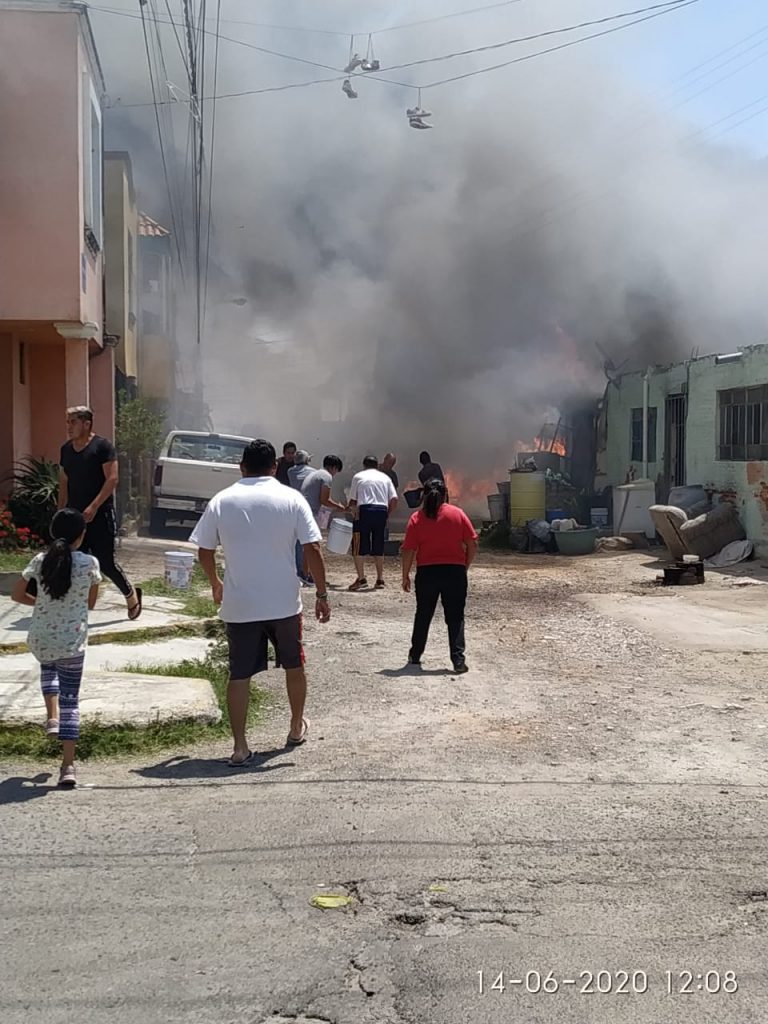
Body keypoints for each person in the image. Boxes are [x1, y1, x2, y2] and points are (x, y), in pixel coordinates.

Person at [191, 439, 331, 765]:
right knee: (294, 665)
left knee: (239, 674)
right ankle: (295, 727)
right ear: (275, 467)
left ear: (241, 466)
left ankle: (240, 747)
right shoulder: (291, 499)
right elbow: (313, 548)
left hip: (240, 604)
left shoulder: (222, 500)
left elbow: (204, 550)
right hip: (284, 603)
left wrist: (215, 583)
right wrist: (322, 594)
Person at [11, 509, 102, 787]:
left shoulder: (41, 561)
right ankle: (68, 766)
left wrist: (39, 603)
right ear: (82, 534)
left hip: (42, 637)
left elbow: (16, 594)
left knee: (48, 671)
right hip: (71, 641)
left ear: (52, 532)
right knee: (70, 700)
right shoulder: (89, 563)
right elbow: (90, 603)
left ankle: (52, 718)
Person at [58, 406, 141, 620]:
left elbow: (112, 479)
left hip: (100, 515)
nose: (69, 427)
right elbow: (64, 480)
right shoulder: (66, 449)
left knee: (105, 563)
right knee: (74, 561)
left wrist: (94, 506)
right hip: (75, 517)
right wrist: (61, 510)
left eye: (73, 422)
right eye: (67, 422)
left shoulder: (102, 447)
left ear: (86, 424)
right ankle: (81, 608)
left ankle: (131, 596)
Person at [401, 478, 478, 674]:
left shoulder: (417, 518)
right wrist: (465, 566)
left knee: (423, 614)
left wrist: (405, 575)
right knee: (455, 616)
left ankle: (415, 655)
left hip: (427, 572)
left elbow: (408, 550)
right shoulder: (458, 514)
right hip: (454, 571)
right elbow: (472, 544)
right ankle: (458, 660)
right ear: (445, 495)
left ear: (423, 495)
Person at [348, 455, 398, 591]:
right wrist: (387, 514)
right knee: (378, 544)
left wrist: (351, 511)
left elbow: (353, 500)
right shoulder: (385, 478)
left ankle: (361, 579)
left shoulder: (358, 476)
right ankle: (380, 579)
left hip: (364, 510)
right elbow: (394, 499)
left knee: (358, 544)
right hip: (381, 510)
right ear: (377, 465)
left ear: (364, 465)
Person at [287, 451, 315, 583]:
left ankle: (298, 570)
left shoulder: (290, 471)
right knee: (307, 540)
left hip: (293, 507)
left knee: (296, 541)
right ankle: (304, 572)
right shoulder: (313, 472)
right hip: (308, 506)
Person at [301, 455, 346, 528]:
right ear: (334, 468)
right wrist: (338, 507)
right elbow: (324, 500)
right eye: (336, 471)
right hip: (310, 513)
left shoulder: (314, 473)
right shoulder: (326, 476)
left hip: (302, 510)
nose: (335, 474)